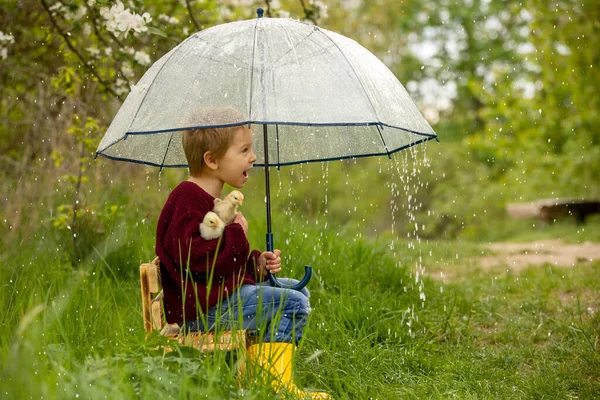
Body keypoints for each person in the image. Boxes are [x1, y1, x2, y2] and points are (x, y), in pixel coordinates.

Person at [155, 108, 329, 398]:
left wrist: (256, 265)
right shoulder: (187, 200)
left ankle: (255, 377)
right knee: (292, 303)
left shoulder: (212, 200)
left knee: (299, 294)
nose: (253, 157)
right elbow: (196, 260)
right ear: (212, 160)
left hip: (213, 298)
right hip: (201, 310)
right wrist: (237, 232)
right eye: (244, 150)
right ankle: (275, 387)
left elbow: (219, 265)